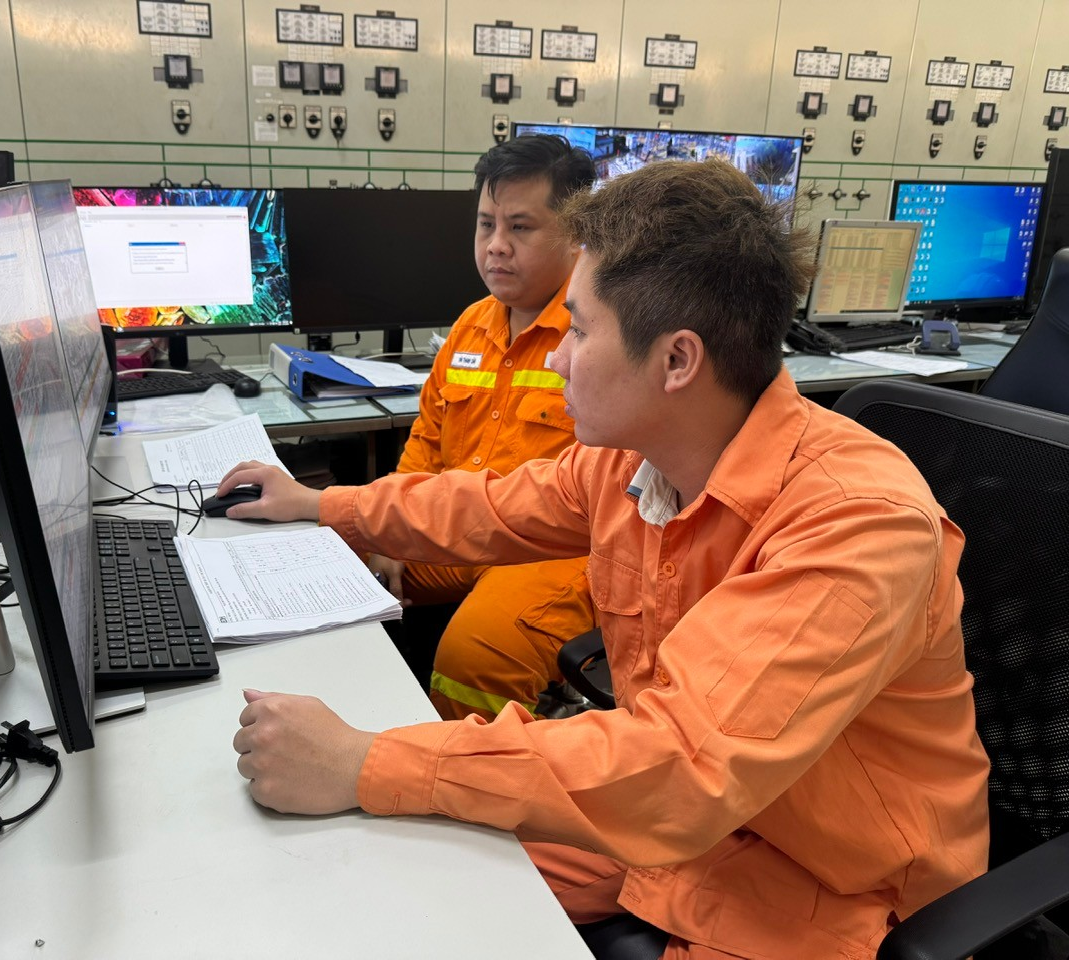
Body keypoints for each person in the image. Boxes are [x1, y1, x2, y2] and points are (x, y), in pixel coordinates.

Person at [223, 159, 990, 959]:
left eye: (581, 332)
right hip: (674, 824)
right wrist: (322, 506)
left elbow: (683, 769)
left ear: (677, 361)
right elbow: (485, 507)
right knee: (398, 870)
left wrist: (366, 760)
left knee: (411, 833)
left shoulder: (854, 523)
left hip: (831, 881)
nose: (558, 358)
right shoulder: (637, 460)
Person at [371, 133, 597, 722]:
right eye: (485, 224)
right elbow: (425, 445)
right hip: (461, 530)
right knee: (338, 565)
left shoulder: (599, 334)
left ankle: (465, 769)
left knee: (471, 658)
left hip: (555, 549)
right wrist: (387, 535)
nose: (496, 245)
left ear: (575, 233)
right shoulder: (471, 326)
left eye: (520, 227)